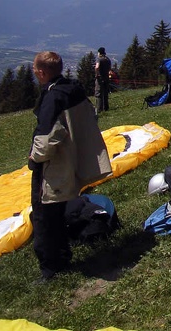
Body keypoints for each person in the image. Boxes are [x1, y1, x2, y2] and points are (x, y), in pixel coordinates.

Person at [29, 51, 112, 281]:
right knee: (57, 211)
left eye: (35, 71)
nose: (35, 74)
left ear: (43, 72)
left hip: (53, 167)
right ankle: (62, 253)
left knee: (44, 216)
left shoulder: (52, 99)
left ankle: (51, 267)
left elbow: (47, 140)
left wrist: (34, 159)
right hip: (73, 159)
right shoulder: (73, 89)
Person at [94, 47, 112, 114]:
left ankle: (99, 109)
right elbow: (109, 69)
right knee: (105, 93)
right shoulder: (107, 59)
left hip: (100, 78)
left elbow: (97, 67)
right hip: (106, 78)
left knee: (98, 93)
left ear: (99, 53)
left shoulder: (99, 59)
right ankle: (106, 107)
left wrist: (97, 74)